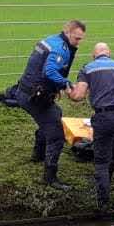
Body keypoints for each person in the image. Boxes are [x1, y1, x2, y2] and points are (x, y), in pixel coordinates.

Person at [12, 19, 85, 187]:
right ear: (67, 32)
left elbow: (38, 69)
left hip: (24, 91)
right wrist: (65, 84)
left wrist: (53, 90)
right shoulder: (61, 49)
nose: (78, 42)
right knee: (57, 134)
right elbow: (49, 71)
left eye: (81, 39)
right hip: (33, 97)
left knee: (55, 115)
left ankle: (38, 155)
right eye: (76, 38)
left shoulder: (51, 40)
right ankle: (50, 178)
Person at [69, 41, 114, 208]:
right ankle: (108, 180)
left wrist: (68, 89)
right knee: (113, 145)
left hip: (105, 118)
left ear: (94, 55)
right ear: (109, 54)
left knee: (101, 161)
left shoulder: (87, 68)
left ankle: (102, 203)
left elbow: (78, 96)